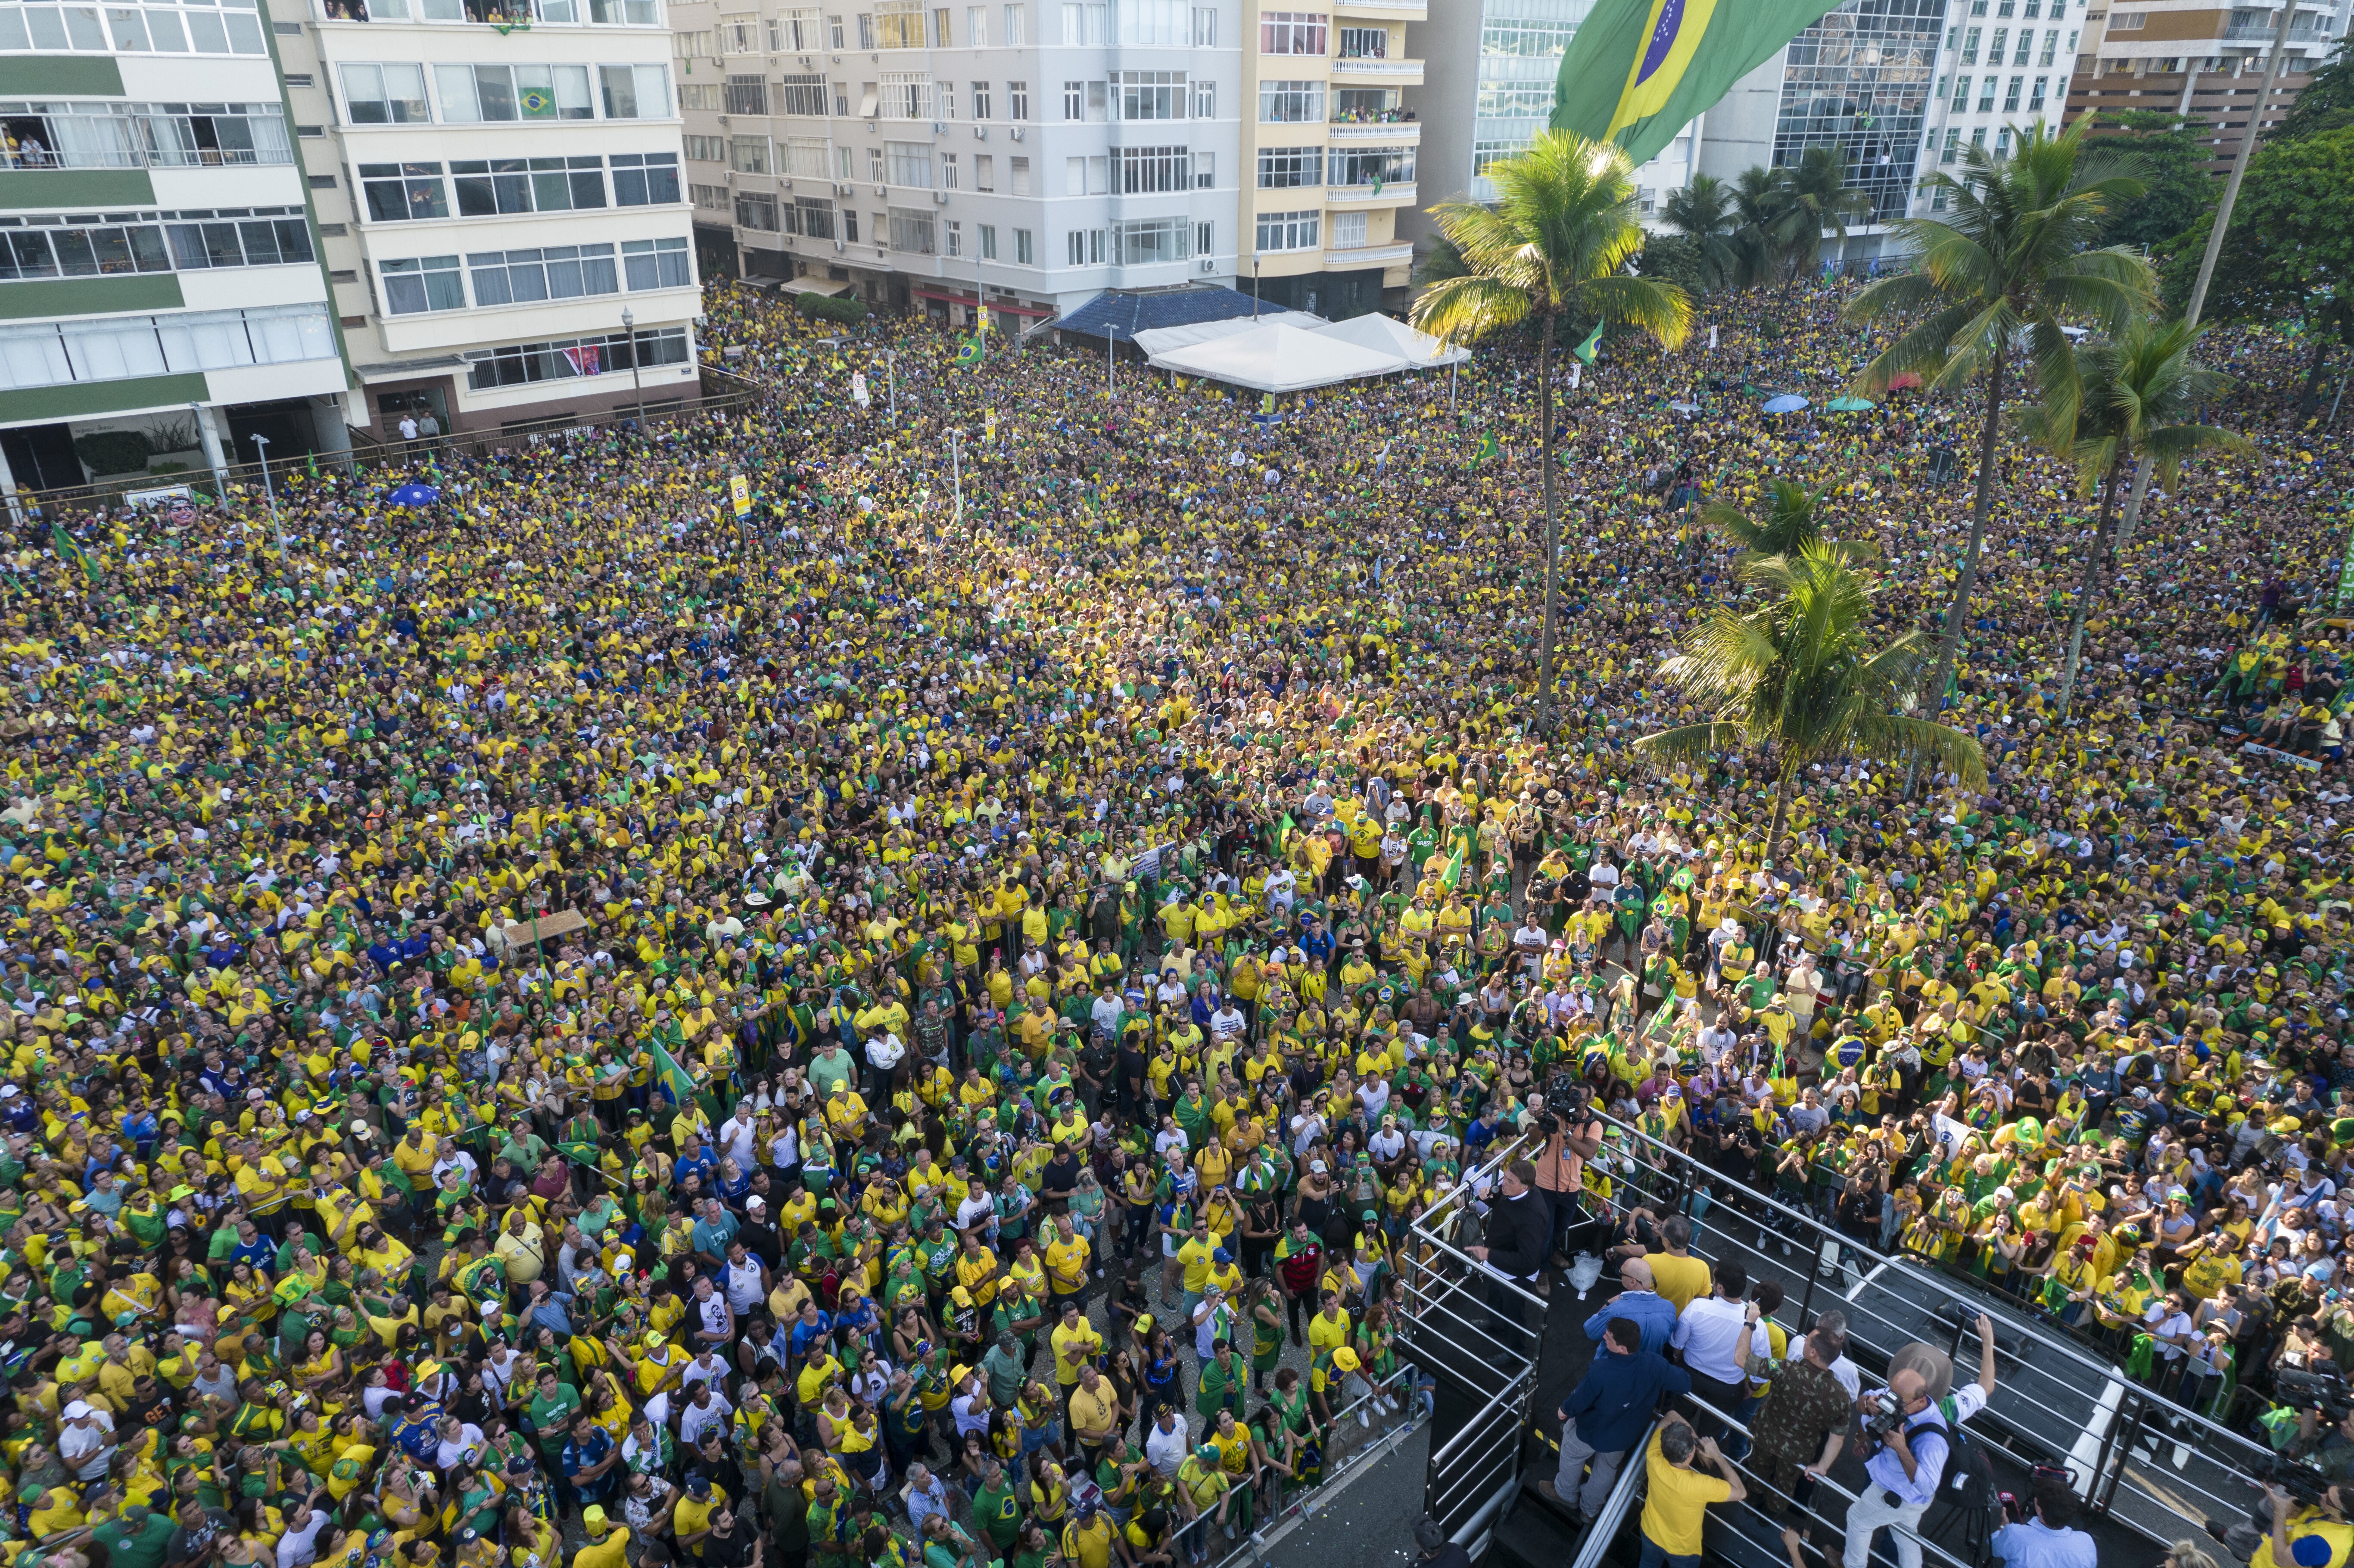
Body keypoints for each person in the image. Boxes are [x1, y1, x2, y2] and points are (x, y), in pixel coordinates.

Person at [1538, 1315, 1691, 1524]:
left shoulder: (1600, 1371)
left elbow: (1578, 1401)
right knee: (1606, 1470)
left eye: (1608, 1337)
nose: (1603, 1337)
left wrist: (1564, 1410)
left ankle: (1565, 1494)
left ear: (1622, 1348)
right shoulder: (1654, 1365)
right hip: (1623, 1437)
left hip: (1590, 1432)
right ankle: (1589, 1510)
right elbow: (1684, 1383)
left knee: (1572, 1457)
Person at [1840, 1365, 1950, 1568]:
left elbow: (1928, 1487)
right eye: (1889, 1396)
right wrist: (1867, 1403)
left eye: (1899, 1404)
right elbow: (1865, 1399)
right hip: (1911, 1501)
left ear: (1921, 1400)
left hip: (1897, 1494)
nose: (1890, 1405)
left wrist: (1902, 1449)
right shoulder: (1900, 1394)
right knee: (1906, 1536)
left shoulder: (1932, 1440)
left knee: (1857, 1520)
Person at [1639, 1409, 1743, 1568]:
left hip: (1649, 1532)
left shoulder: (1654, 1455)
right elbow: (1741, 1492)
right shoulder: (1700, 1486)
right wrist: (1717, 1455)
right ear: (1690, 1456)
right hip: (1682, 1551)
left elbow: (1670, 1415)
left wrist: (1695, 1443)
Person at [1463, 1160, 1549, 1330]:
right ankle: (1496, 1324)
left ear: (1524, 1187)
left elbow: (1527, 1260)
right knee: (1495, 1298)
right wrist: (1489, 1198)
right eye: (1505, 1177)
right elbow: (1503, 1204)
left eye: (1510, 1181)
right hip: (1500, 1259)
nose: (1503, 1184)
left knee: (1514, 1314)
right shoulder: (1514, 1192)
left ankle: (1516, 1353)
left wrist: (1489, 1255)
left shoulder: (1532, 1217)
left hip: (1517, 1274)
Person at [1990, 1478, 2098, 1568]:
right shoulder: (2087, 1543)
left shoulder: (2015, 1534)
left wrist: (2003, 1526)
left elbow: (1994, 1549)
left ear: (2040, 1510)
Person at [1585, 1258, 1677, 1356]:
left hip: (1614, 1365)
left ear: (1633, 1282)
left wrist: (1609, 1302)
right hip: (1649, 1365)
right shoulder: (1670, 1308)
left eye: (1622, 1273)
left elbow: (1591, 1331)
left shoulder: (1616, 1310)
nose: (1620, 1275)